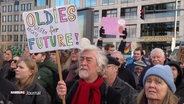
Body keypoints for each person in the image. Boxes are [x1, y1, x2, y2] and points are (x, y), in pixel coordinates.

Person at [56, 45, 121, 104]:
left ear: (100, 67)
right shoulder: (68, 87)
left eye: (88, 60)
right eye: (81, 59)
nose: (83, 63)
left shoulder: (111, 95)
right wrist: (59, 98)